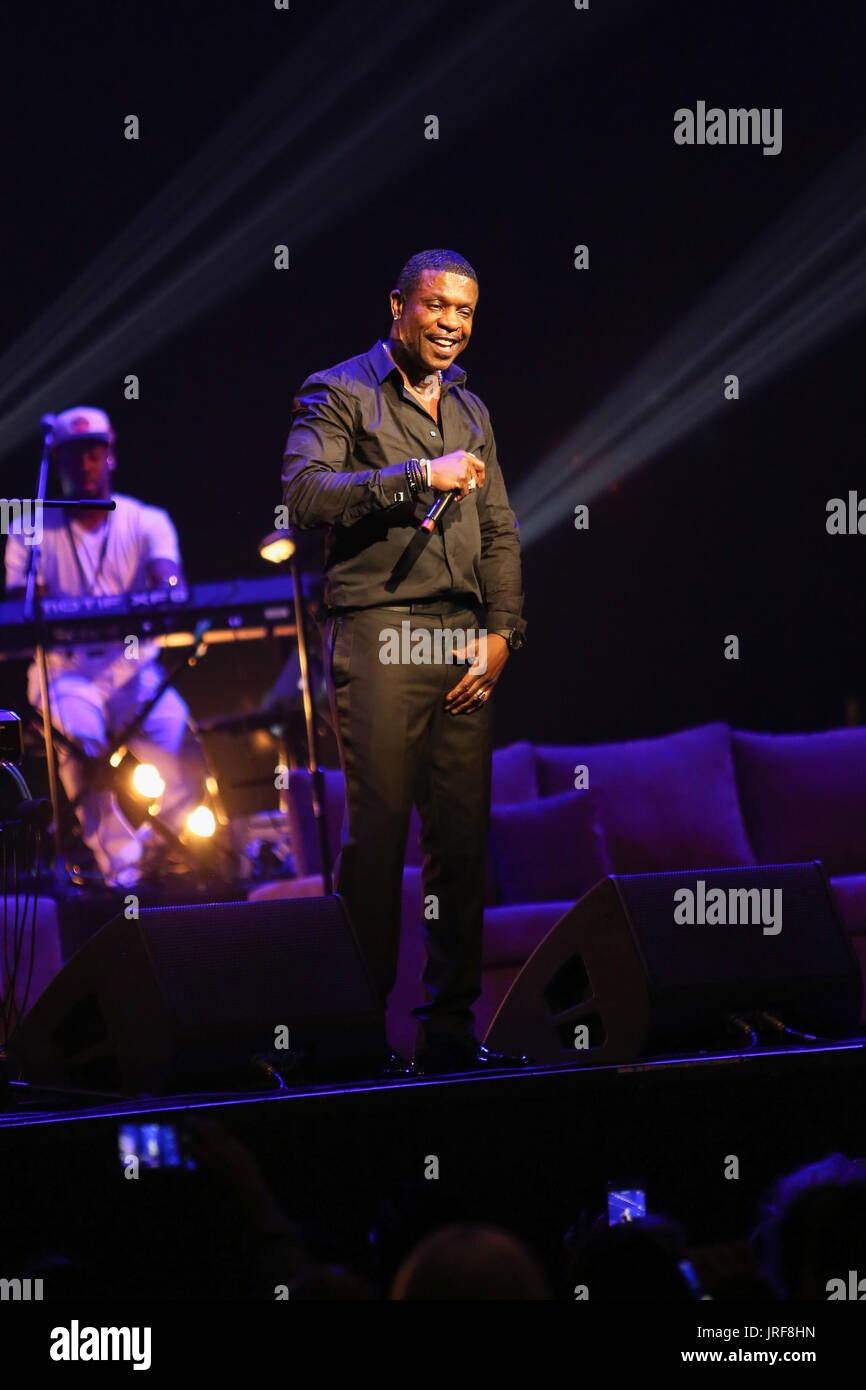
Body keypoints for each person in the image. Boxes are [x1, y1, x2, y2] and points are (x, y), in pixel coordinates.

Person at [281, 248, 530, 1075]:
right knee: (380, 837)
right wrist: (417, 474)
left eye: (465, 311)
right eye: (436, 307)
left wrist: (502, 633)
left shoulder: (472, 407)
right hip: (381, 631)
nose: (452, 324)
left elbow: (497, 529)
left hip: (460, 639)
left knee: (460, 842)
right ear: (399, 304)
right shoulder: (340, 390)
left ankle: (449, 1034)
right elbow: (306, 496)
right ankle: (353, 1038)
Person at [4, 406, 198, 888]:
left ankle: (163, 853)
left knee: (180, 742)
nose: (85, 465)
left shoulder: (147, 520)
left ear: (110, 455)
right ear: (59, 461)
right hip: (65, 673)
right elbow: (15, 605)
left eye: (93, 453)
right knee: (80, 746)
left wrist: (160, 586)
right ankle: (123, 869)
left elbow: (169, 585)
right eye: (73, 456)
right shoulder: (30, 527)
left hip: (136, 669)